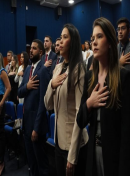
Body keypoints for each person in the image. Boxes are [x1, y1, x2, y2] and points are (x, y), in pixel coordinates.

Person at [77, 17, 130, 176]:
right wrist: (89, 103)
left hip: (114, 158)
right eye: (92, 38)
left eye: (99, 37)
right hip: (93, 156)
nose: (94, 42)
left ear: (110, 42)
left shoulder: (123, 77)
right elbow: (80, 121)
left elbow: (127, 133)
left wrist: (124, 169)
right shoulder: (89, 77)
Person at [44, 24, 88, 176]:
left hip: (73, 144)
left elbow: (79, 113)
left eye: (64, 37)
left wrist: (73, 154)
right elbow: (47, 104)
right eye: (60, 37)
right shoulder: (57, 68)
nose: (60, 42)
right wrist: (51, 84)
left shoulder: (79, 69)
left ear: (73, 41)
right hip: (58, 140)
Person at [18, 39, 49, 176]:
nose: (31, 50)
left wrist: (36, 128)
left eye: (34, 48)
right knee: (31, 163)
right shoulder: (28, 70)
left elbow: (43, 103)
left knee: (41, 164)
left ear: (41, 52)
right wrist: (27, 87)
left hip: (36, 126)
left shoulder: (43, 71)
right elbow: (19, 92)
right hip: (26, 124)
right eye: (31, 48)